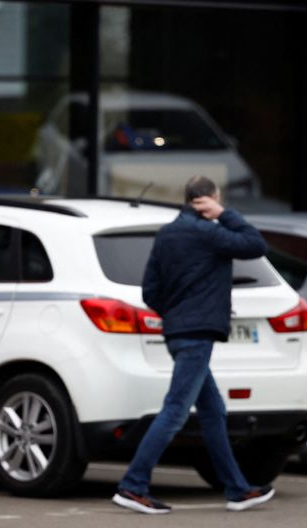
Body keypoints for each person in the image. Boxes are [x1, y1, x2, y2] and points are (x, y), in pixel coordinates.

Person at [112, 176, 274, 514]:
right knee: (175, 410)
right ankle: (133, 485)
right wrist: (224, 214)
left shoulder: (166, 234)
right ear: (210, 199)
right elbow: (255, 244)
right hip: (197, 335)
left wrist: (175, 315)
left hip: (179, 333)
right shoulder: (209, 233)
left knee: (213, 411)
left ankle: (236, 489)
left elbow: (150, 292)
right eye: (217, 200)